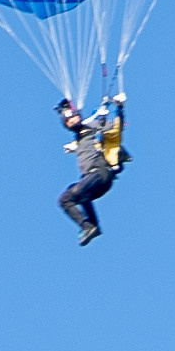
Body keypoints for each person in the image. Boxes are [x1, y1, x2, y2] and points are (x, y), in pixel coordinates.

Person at [56, 94, 129, 245]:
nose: (71, 121)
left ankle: (92, 226)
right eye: (68, 120)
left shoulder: (93, 126)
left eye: (73, 117)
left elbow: (116, 130)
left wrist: (119, 108)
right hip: (90, 180)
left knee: (79, 191)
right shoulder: (80, 137)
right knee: (64, 199)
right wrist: (75, 148)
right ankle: (89, 226)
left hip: (101, 173)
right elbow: (85, 144)